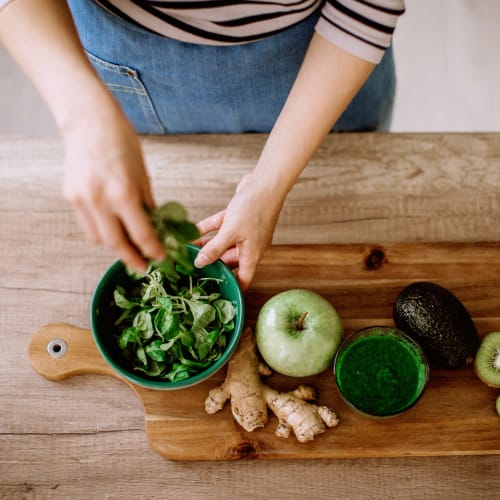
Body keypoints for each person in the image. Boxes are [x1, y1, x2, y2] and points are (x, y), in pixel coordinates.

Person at [0, 0, 405, 292]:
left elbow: (366, 7)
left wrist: (268, 186)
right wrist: (83, 117)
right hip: (130, 57)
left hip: (320, 55)